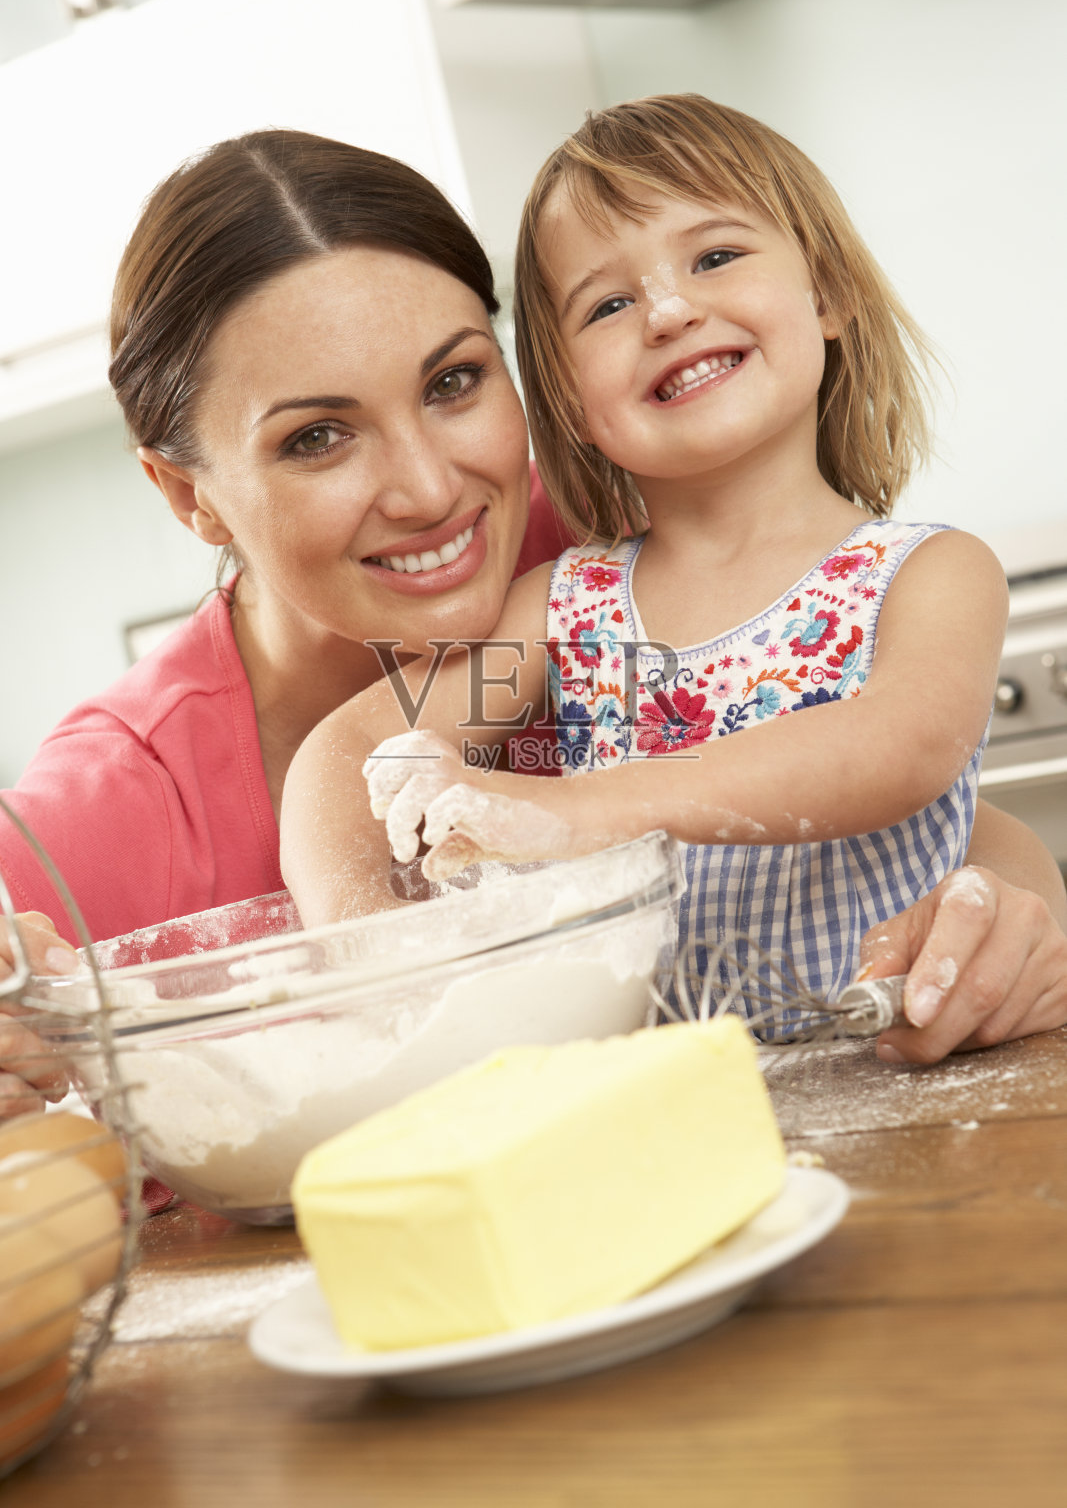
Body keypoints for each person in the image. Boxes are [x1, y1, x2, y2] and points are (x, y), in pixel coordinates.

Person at [0, 123, 1062, 1108]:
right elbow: (350, 762)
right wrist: (389, 974)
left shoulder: (583, 538)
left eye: (454, 381)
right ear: (187, 493)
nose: (427, 488)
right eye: (316, 437)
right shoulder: (102, 812)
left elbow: (886, 772)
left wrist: (1002, 907)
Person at [281, 96, 1067, 1061]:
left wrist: (564, 811)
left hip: (903, 1092)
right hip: (667, 1117)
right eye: (607, 305)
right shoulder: (559, 616)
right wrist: (381, 961)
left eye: (714, 257)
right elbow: (353, 749)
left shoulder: (928, 576)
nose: (667, 309)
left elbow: (892, 750)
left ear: (825, 294)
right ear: (565, 402)